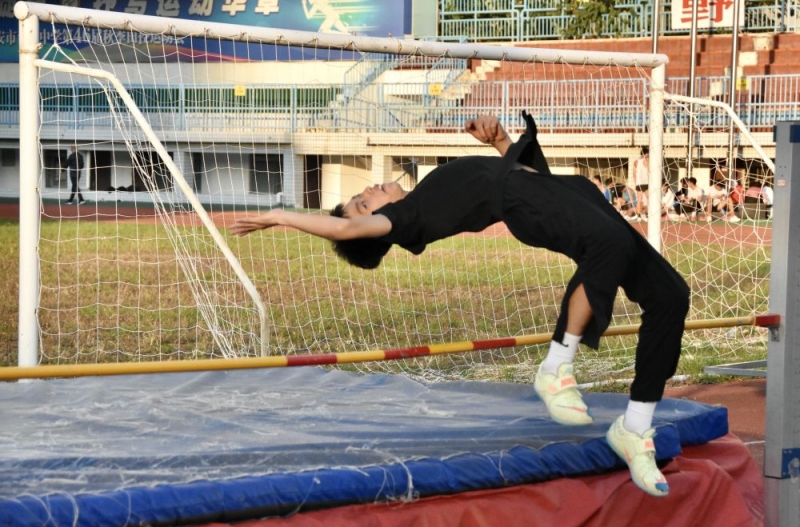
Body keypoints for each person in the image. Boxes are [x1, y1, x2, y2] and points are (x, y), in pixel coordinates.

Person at [231, 112, 690, 497]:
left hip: (561, 193)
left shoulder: (426, 193)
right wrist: (279, 215)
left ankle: (635, 425)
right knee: (607, 244)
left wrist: (501, 141)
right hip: (523, 201)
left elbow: (538, 188)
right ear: (374, 219)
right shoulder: (405, 219)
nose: (368, 190)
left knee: (670, 296)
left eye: (360, 194)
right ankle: (556, 367)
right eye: (360, 201)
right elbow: (345, 231)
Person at [632, 147, 649, 220]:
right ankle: (647, 214)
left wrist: (635, 183)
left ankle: (639, 216)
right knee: (649, 199)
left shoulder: (636, 161)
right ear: (646, 154)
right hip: (646, 182)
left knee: (639, 200)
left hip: (638, 183)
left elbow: (634, 174)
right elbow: (649, 171)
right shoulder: (647, 161)